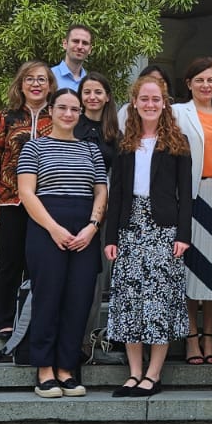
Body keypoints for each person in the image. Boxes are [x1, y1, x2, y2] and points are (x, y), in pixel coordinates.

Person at [103, 74, 193, 397]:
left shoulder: (177, 143)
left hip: (163, 230)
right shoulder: (126, 144)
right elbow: (117, 196)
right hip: (130, 227)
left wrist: (184, 234)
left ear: (164, 103)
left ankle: (153, 374)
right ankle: (134, 372)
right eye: (144, 99)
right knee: (130, 300)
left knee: (158, 300)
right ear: (135, 104)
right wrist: (111, 237)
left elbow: (186, 194)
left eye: (156, 99)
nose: (150, 104)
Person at [16, 87, 108, 398]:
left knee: (78, 301)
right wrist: (54, 228)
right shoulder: (34, 148)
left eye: (75, 109)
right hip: (46, 228)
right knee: (48, 298)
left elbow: (101, 191)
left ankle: (67, 369)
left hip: (84, 230)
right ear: (51, 111)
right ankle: (45, 370)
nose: (69, 114)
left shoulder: (90, 149)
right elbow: (27, 193)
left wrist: (92, 227)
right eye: (63, 108)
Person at [0, 61, 55, 340]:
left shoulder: (57, 116)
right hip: (10, 201)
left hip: (46, 203)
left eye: (42, 79)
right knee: (9, 262)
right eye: (30, 79)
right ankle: (5, 320)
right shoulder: (7, 117)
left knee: (39, 262)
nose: (36, 84)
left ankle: (33, 317)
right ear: (21, 84)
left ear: (50, 85)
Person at [173, 56, 212, 364]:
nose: (206, 85)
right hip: (192, 197)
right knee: (191, 269)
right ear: (189, 84)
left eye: (210, 80)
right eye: (200, 80)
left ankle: (211, 336)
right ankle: (191, 336)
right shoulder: (176, 113)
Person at [74, 72, 121, 344]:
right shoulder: (71, 126)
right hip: (72, 209)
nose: (92, 97)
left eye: (98, 92)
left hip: (103, 214)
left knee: (95, 279)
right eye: (87, 92)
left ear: (107, 97)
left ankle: (86, 340)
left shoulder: (114, 133)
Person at [51, 25, 93, 93]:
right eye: (75, 41)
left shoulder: (90, 82)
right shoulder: (50, 76)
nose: (80, 46)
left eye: (85, 43)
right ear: (65, 44)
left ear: (90, 49)